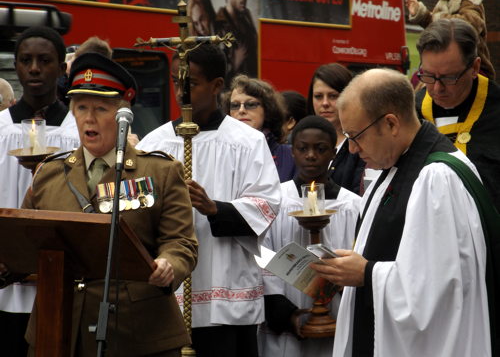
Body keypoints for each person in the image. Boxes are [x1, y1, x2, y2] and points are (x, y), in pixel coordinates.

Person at [20, 52, 198, 356]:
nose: (89, 118)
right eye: (81, 108)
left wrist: (170, 263)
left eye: (101, 108)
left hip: (137, 331)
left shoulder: (159, 171)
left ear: (122, 115)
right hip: (59, 327)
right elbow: (23, 241)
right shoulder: (49, 173)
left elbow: (181, 242)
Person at [311, 68, 491, 356]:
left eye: (356, 136)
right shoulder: (395, 166)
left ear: (391, 123)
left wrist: (367, 273)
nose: (353, 150)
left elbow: (438, 291)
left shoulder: (436, 178)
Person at [137, 43, 281, 357]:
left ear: (217, 86)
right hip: (169, 286)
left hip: (225, 285)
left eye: (190, 82)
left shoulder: (247, 141)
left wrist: (215, 208)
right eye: (176, 80)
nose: (180, 91)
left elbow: (267, 204)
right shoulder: (154, 144)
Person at [0, 26, 80, 357]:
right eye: (26, 60)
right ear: (16, 66)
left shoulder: (78, 133)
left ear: (62, 68)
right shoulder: (1, 129)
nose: (34, 68)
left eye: (44, 60)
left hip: (59, 285)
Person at [258, 115, 360, 357]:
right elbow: (263, 257)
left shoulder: (353, 206)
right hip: (289, 319)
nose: (311, 155)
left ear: (333, 153)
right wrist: (285, 314)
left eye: (320, 149)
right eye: (303, 148)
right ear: (292, 152)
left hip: (336, 317)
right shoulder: (276, 202)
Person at [415, 18, 500, 212]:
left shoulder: (495, 111)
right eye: (427, 75)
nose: (437, 88)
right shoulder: (412, 112)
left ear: (475, 68)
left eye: (448, 77)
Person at [406, 0, 495, 79]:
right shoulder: (445, 4)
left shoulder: (471, 2)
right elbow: (436, 26)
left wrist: (435, 18)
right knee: (417, 79)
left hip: (469, 69)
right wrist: (421, 14)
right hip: (444, 63)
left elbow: (469, 25)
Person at [223, 74, 296, 182]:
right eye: (235, 105)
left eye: (250, 104)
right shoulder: (220, 152)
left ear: (267, 109)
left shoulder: (291, 155)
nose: (241, 110)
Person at [307, 63, 366, 195]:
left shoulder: (361, 142)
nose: (325, 103)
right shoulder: (300, 140)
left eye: (333, 96)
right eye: (318, 96)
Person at [216, 0, 258, 84]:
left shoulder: (246, 18)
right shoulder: (218, 24)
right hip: (232, 92)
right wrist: (234, 64)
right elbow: (215, 71)